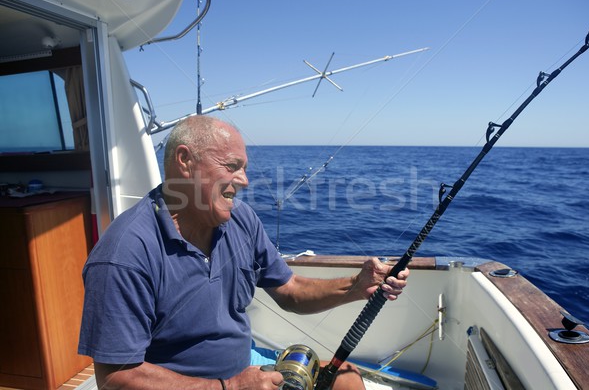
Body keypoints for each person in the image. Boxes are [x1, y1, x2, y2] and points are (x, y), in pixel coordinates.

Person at [78, 116, 410, 390]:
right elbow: (115, 377)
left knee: (347, 379)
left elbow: (290, 291)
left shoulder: (241, 220)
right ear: (184, 161)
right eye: (232, 166)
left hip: (244, 371)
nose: (245, 180)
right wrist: (229, 387)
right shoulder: (124, 253)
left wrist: (357, 285)